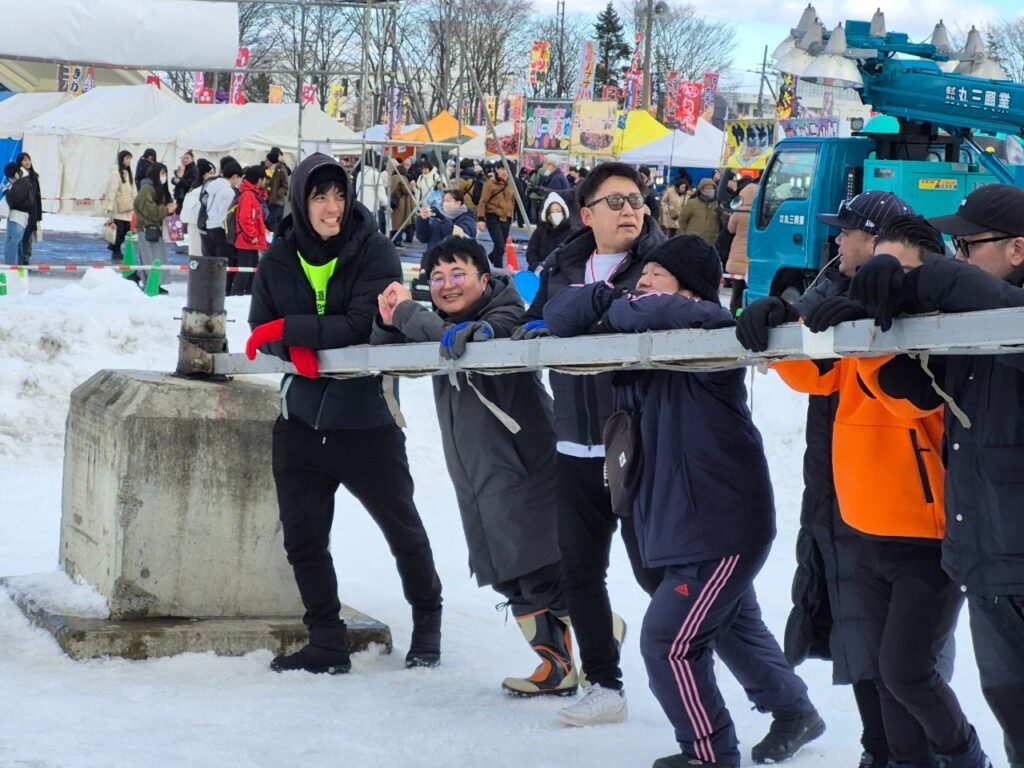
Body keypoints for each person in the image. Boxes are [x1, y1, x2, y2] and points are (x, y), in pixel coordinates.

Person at [545, 235, 825, 768]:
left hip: (720, 527)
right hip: (681, 521)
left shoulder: (710, 332)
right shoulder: (645, 329)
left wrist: (620, 305)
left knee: (667, 643)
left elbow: (691, 312)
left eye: (657, 275)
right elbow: (559, 314)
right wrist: (612, 298)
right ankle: (795, 712)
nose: (643, 283)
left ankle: (709, 752)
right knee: (732, 626)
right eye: (643, 273)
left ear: (691, 290)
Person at [771, 214, 990, 768]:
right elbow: (816, 376)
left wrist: (869, 336)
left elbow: (914, 402)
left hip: (927, 536)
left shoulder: (942, 329)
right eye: (878, 267)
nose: (885, 279)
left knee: (907, 670)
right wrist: (776, 333)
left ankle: (966, 756)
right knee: (882, 673)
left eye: (898, 269)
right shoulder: (865, 327)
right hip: (864, 526)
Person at [735, 191, 919, 768]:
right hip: (836, 482)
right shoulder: (830, 284)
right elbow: (815, 370)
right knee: (852, 624)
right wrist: (777, 321)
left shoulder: (919, 294)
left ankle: (915, 752)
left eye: (847, 231)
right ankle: (878, 748)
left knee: (905, 650)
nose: (836, 240)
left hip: (902, 497)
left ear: (879, 240)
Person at [846, 183, 1024, 768]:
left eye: (968, 245)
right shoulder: (969, 317)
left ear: (1018, 248)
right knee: (1012, 710)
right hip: (986, 556)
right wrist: (859, 320)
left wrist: (919, 277)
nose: (958, 255)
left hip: (1010, 558)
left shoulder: (1000, 311)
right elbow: (921, 389)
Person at [244, 153, 443, 675]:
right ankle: (326, 640)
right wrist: (294, 345)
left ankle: (428, 620)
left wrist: (291, 332)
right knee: (303, 539)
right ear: (300, 201)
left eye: (339, 194)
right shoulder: (279, 255)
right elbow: (258, 324)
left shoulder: (373, 248)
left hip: (366, 420)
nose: (332, 207)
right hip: (300, 423)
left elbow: (359, 325)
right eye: (320, 196)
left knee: (402, 529)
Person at [373, 236, 574, 696]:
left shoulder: (505, 316)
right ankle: (556, 664)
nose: (447, 285)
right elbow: (394, 350)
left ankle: (602, 633)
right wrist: (388, 321)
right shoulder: (441, 323)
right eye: (437, 278)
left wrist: (408, 313)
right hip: (475, 469)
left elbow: (469, 341)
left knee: (540, 571)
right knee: (505, 574)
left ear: (485, 278)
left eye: (458, 274)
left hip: (522, 465)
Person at [518, 162, 665, 727]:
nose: (630, 210)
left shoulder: (659, 265)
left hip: (637, 445)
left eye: (637, 200)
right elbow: (531, 323)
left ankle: (748, 675)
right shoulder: (561, 265)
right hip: (574, 447)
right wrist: (491, 330)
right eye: (616, 201)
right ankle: (605, 684)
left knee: (660, 575)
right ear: (587, 214)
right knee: (579, 573)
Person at [132, 163, 175, 294]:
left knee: (158, 257)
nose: (164, 176)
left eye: (165, 173)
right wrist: (166, 210)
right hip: (146, 228)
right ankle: (150, 284)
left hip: (156, 228)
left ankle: (155, 283)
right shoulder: (147, 189)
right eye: (161, 173)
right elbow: (148, 208)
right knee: (149, 258)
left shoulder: (158, 188)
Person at [229, 165, 269, 296]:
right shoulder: (248, 195)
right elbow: (244, 219)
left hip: (250, 240)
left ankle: (248, 295)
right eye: (264, 178)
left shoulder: (253, 194)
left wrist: (262, 230)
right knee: (244, 272)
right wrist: (253, 235)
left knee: (251, 271)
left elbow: (255, 218)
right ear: (259, 179)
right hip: (247, 240)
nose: (265, 181)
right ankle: (237, 295)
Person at [199, 159, 243, 264]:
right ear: (235, 176)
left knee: (212, 262)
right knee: (224, 263)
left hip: (209, 226)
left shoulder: (213, 186)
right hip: (221, 229)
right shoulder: (228, 191)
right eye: (239, 178)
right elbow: (227, 213)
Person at [724, 179, 757, 315]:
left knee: (736, 291)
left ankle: (734, 313)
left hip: (738, 253)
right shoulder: (760, 212)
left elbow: (730, 229)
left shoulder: (738, 211)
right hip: (754, 254)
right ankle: (747, 314)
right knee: (751, 289)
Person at [476, 164, 515, 269]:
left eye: (506, 169)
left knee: (500, 248)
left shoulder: (511, 184)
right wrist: (480, 218)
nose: (504, 172)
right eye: (502, 169)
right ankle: (499, 270)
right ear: (496, 170)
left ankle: (484, 263)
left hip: (507, 218)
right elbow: (483, 202)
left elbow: (513, 201)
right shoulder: (490, 184)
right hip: (493, 217)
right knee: (500, 246)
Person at [414, 188, 476, 254]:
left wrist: (443, 219)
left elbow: (461, 237)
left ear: (458, 203)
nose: (444, 203)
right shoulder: (436, 218)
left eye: (448, 201)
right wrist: (423, 220)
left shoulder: (467, 219)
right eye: (443, 201)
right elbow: (422, 238)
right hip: (433, 257)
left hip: (454, 257)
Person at [524, 192, 574, 272]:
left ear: (564, 212)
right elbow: (531, 252)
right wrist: (537, 266)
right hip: (539, 273)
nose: (556, 214)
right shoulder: (540, 231)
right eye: (552, 212)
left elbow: (572, 256)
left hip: (561, 274)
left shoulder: (571, 233)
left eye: (558, 211)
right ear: (547, 215)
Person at [179, 159, 214, 260]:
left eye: (213, 173)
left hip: (207, 226)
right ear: (203, 175)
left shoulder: (212, 190)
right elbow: (185, 214)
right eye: (210, 173)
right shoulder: (195, 192)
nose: (213, 176)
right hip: (195, 226)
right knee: (197, 254)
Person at [3, 162, 34, 267]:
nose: (10, 179)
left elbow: (12, 199)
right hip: (21, 217)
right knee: (18, 243)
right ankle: (20, 268)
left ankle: (10, 268)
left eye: (10, 177)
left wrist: (6, 192)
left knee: (12, 243)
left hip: (17, 217)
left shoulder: (21, 182)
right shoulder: (25, 181)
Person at [105, 150, 135, 262]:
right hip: (118, 208)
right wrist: (109, 206)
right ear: (121, 159)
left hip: (128, 208)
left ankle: (115, 249)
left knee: (126, 231)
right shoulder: (116, 174)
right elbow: (111, 191)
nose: (129, 161)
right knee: (118, 232)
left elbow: (134, 190)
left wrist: (136, 203)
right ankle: (115, 251)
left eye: (130, 158)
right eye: (127, 158)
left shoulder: (130, 174)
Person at [678, 177, 721, 246]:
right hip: (693, 242)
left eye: (713, 189)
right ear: (701, 190)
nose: (711, 191)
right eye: (708, 188)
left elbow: (725, 223)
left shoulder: (718, 204)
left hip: (711, 242)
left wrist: (722, 214)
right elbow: (682, 220)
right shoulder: (692, 203)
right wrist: (685, 235)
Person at [15, 153, 41, 263]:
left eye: (28, 159)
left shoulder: (34, 177)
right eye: (24, 160)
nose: (27, 162)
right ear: (19, 162)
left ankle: (25, 263)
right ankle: (20, 263)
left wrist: (38, 216)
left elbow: (37, 197)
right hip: (20, 213)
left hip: (32, 213)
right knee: (19, 239)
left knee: (27, 240)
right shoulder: (17, 176)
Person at [355, 151, 389, 235]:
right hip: (371, 206)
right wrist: (386, 203)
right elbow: (380, 191)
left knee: (361, 228)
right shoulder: (375, 174)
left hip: (360, 204)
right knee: (372, 229)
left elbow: (357, 189)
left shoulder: (360, 173)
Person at [389, 161, 416, 247]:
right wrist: (411, 185)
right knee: (401, 223)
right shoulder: (402, 178)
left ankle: (392, 239)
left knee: (394, 223)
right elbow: (406, 190)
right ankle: (397, 241)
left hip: (393, 202)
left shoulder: (392, 178)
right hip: (401, 203)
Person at [264, 148, 290, 231]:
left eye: (267, 160)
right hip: (269, 201)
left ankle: (275, 238)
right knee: (270, 222)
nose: (265, 161)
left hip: (276, 202)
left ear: (271, 161)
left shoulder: (280, 169)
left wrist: (277, 194)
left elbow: (285, 185)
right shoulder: (268, 170)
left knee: (273, 224)